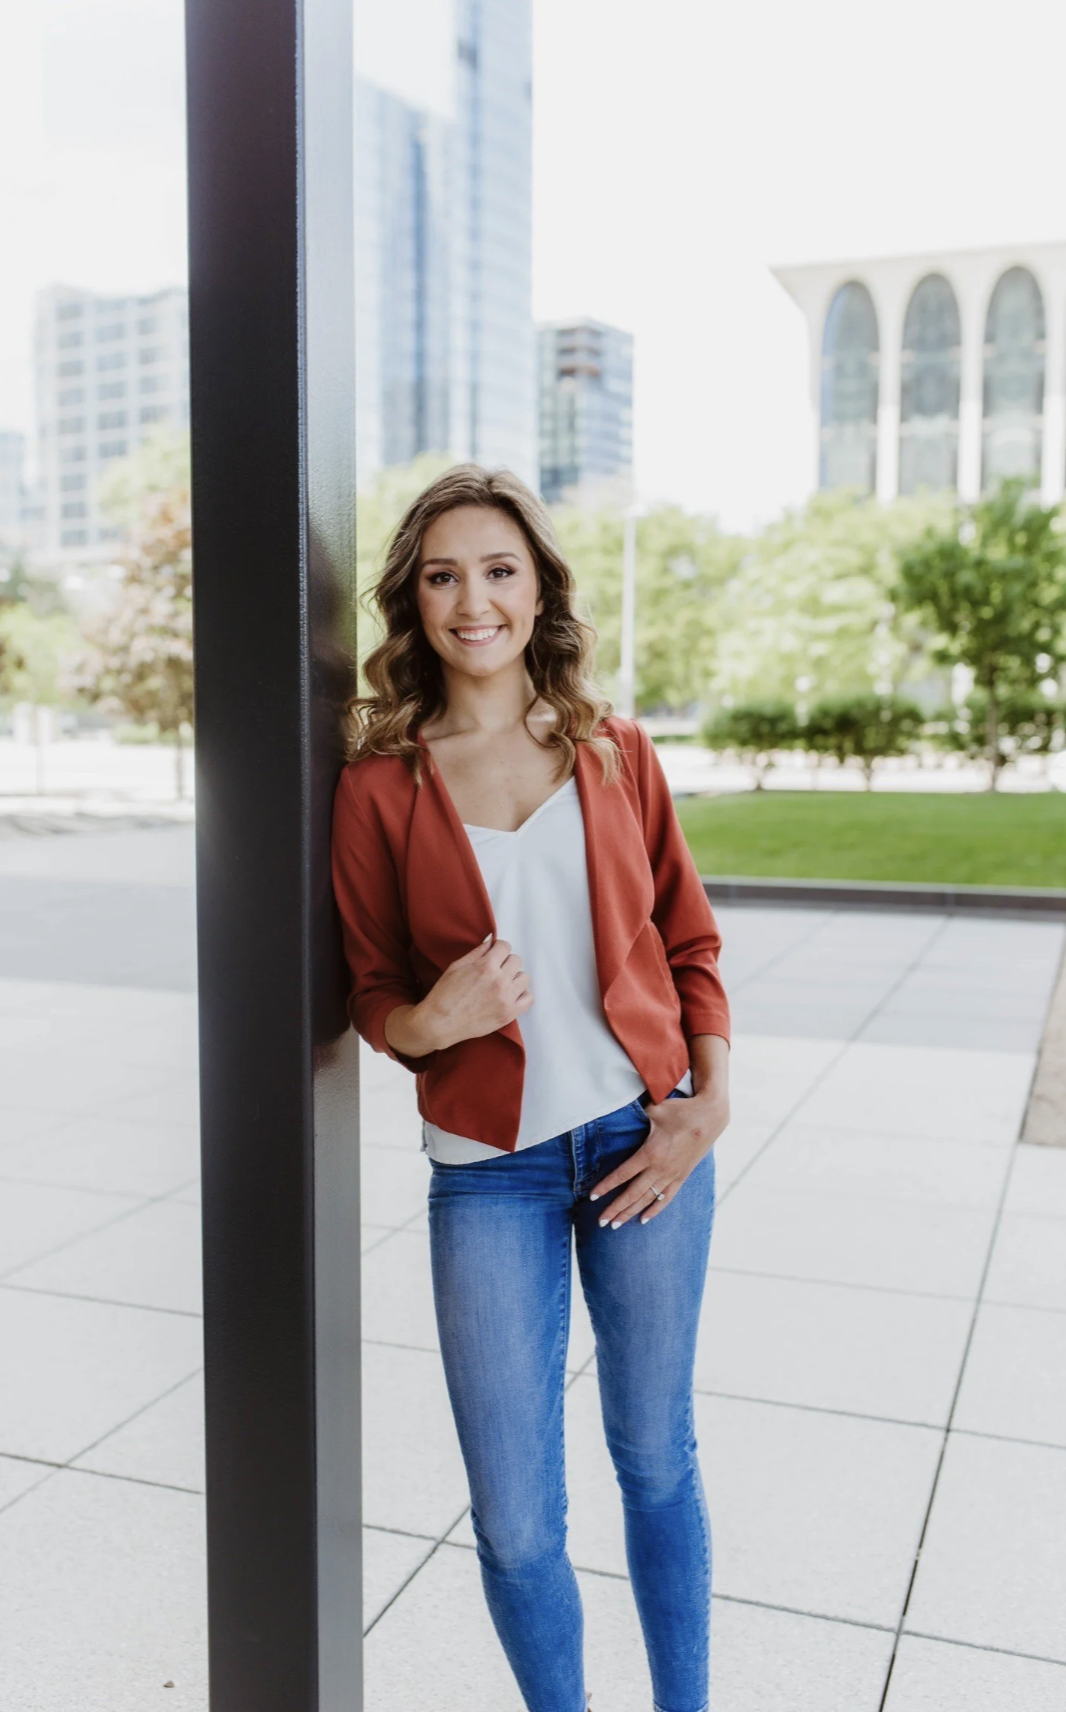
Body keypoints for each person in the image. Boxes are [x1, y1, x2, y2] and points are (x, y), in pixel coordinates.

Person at [331, 464, 731, 1712]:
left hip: (641, 1138)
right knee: (511, 1517)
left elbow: (691, 942)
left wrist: (701, 1111)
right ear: (415, 600)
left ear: (538, 588)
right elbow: (368, 988)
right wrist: (426, 1020)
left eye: (498, 569)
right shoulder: (380, 785)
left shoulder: (614, 752)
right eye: (443, 575)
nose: (473, 600)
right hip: (486, 1177)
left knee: (655, 1457)